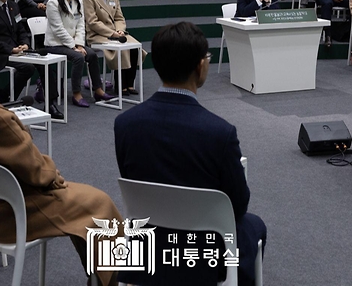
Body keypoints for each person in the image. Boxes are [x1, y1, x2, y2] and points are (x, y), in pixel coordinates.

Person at [0, 29, 121, 286]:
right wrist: (53, 171)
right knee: (101, 205)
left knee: (87, 207)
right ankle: (116, 280)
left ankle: (100, 278)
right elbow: (39, 173)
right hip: (16, 211)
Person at [114, 21, 266, 286]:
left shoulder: (125, 124)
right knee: (253, 225)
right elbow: (238, 206)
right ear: (200, 66)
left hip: (147, 245)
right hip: (202, 253)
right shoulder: (220, 132)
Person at [44, 0, 115, 107]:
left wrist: (79, 44)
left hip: (74, 43)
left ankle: (98, 90)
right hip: (55, 44)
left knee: (92, 55)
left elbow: (81, 25)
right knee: (78, 57)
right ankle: (76, 94)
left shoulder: (79, 0)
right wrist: (74, 47)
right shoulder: (52, 3)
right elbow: (58, 29)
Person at [83, 0, 145, 95]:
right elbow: (92, 22)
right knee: (121, 50)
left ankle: (129, 84)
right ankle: (120, 85)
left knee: (134, 48)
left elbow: (119, 17)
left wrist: (120, 30)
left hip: (116, 33)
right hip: (97, 35)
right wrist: (112, 33)